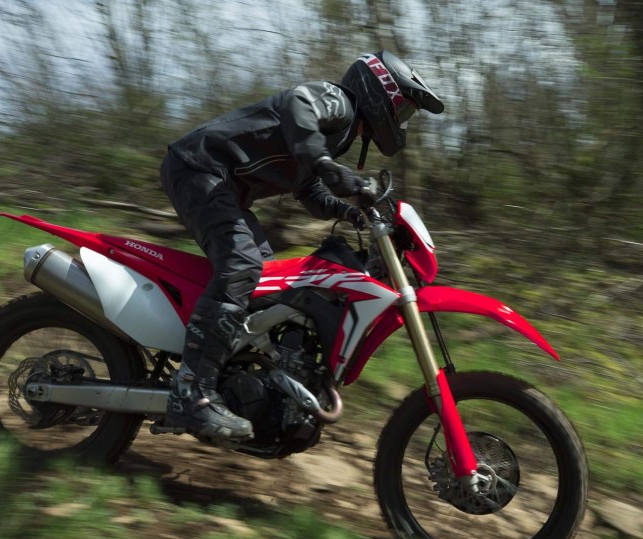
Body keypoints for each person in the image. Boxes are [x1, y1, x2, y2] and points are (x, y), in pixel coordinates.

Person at [156, 50, 445, 442]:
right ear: (381, 92)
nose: (402, 120)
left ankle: (237, 383)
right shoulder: (335, 101)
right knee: (241, 265)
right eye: (403, 109)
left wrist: (350, 212)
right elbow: (299, 103)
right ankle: (192, 393)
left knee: (264, 288)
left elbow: (308, 190)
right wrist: (326, 163)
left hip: (219, 185)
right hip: (199, 169)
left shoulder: (335, 137)